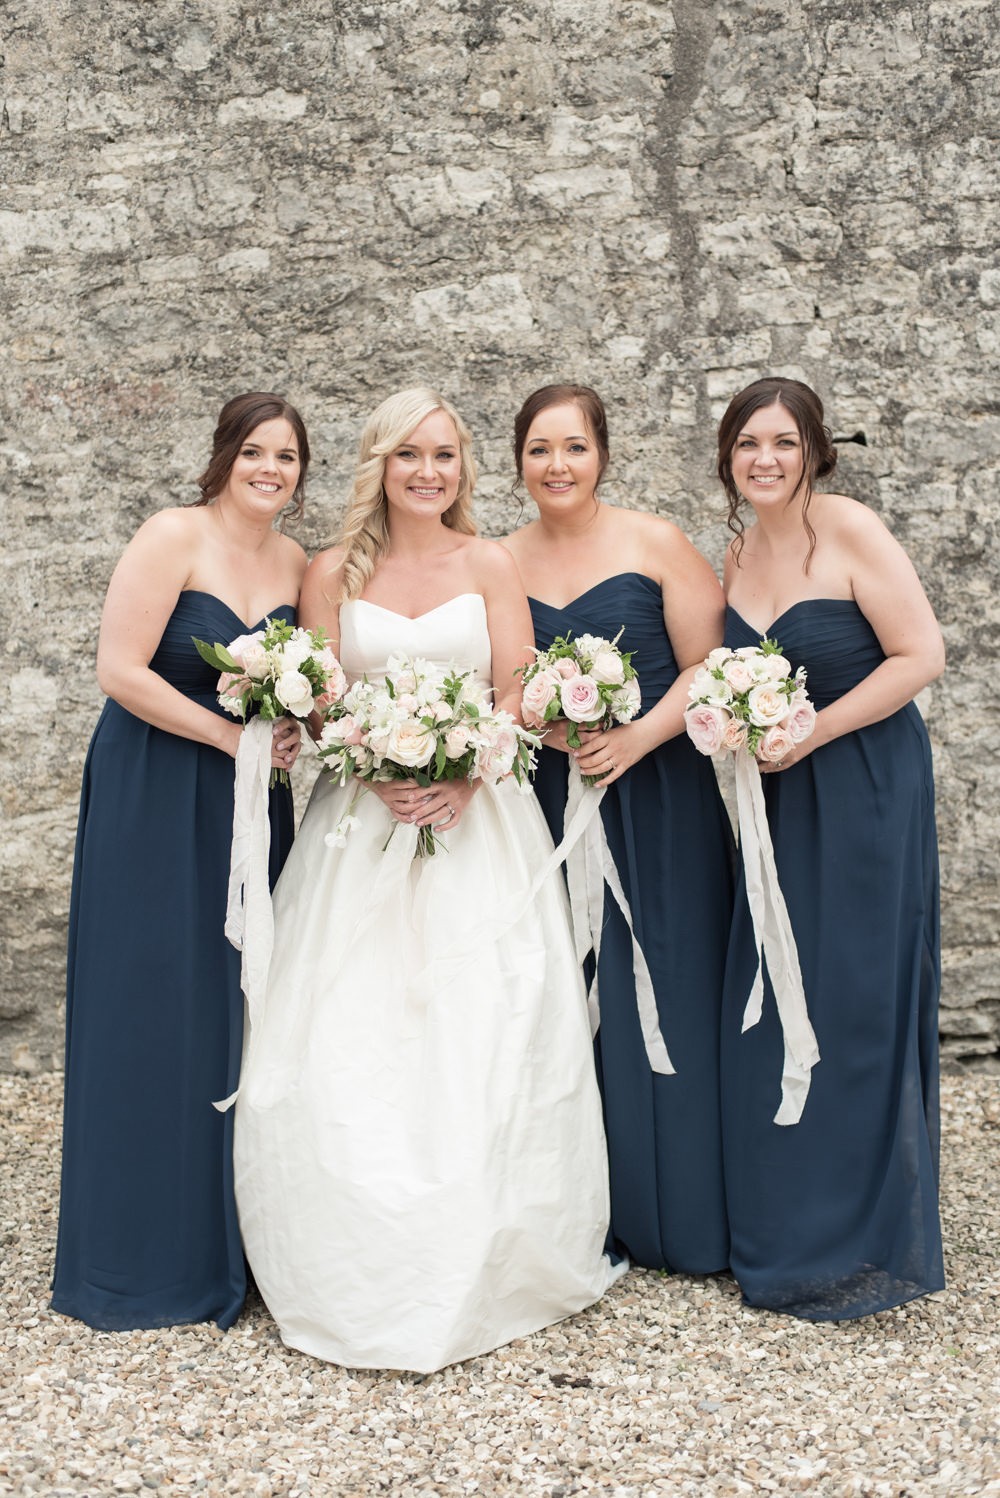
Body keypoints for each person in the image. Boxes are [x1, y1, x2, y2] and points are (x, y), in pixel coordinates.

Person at [234, 387, 622, 1372]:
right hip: (358, 827)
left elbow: (515, 697)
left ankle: (491, 1241)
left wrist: (460, 769)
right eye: (407, 454)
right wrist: (368, 755)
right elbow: (323, 711)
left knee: (482, 1021)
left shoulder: (487, 563)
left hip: (477, 821)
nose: (426, 472)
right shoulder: (331, 572)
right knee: (350, 1029)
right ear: (380, 463)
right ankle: (346, 1256)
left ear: (462, 468)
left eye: (442, 455)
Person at [52, 392, 309, 1330]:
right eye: (254, 452)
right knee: (149, 994)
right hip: (156, 785)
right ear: (224, 458)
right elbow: (119, 669)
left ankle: (227, 1241)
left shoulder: (295, 563)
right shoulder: (173, 534)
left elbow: (308, 691)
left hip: (250, 805)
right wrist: (227, 737)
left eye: (286, 457)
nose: (269, 469)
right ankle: (135, 1249)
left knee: (236, 1000)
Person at [717, 375, 945, 1319]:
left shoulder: (850, 530)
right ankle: (784, 1216)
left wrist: (810, 732)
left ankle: (860, 1234)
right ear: (727, 459)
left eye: (782, 442)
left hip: (862, 789)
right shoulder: (733, 554)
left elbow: (921, 654)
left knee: (854, 994)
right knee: (775, 993)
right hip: (770, 801)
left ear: (814, 449)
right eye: (746, 445)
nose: (764, 460)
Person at [501, 383, 735, 1274]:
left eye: (574, 447)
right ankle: (579, 1211)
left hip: (659, 791)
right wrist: (542, 723)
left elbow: (707, 663)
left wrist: (636, 736)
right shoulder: (497, 558)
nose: (557, 466)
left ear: (602, 453)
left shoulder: (655, 542)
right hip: (547, 803)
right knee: (561, 983)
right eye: (539, 450)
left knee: (667, 978)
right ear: (520, 459)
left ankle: (678, 1210)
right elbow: (498, 681)